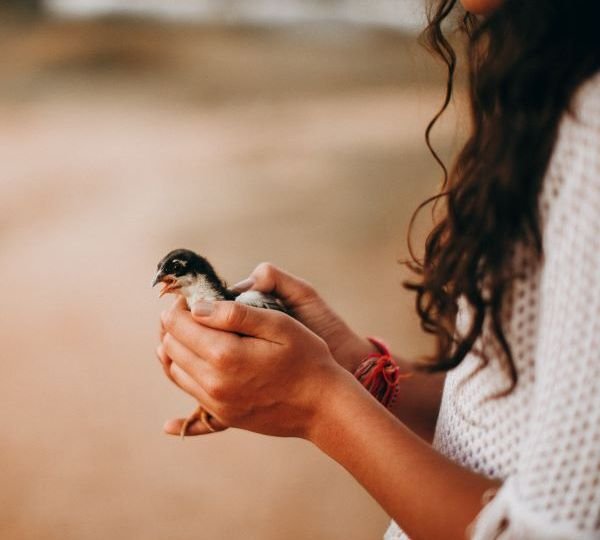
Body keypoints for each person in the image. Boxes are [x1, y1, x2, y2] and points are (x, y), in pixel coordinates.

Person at [156, 0, 600, 538]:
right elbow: (515, 413)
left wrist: (318, 402)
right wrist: (360, 370)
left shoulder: (589, 132)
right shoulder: (548, 83)